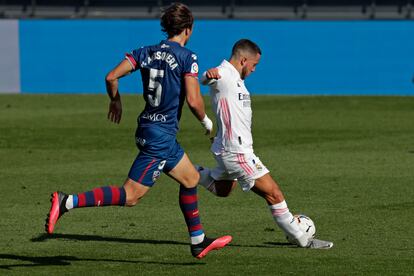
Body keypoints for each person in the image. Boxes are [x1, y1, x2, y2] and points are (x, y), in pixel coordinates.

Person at [45, 2, 231, 259]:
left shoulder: (145, 51)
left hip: (149, 128)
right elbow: (194, 100)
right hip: (160, 136)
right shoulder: (188, 57)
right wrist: (206, 122)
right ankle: (67, 202)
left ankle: (198, 241)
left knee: (190, 178)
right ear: (188, 30)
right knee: (131, 196)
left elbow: (111, 77)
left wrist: (115, 100)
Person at [197, 39, 333, 249]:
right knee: (274, 193)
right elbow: (206, 78)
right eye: (254, 65)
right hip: (237, 151)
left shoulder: (237, 80)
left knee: (222, 190)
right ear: (243, 60)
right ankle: (303, 239)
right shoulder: (224, 73)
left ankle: (188, 171)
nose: (254, 69)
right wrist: (208, 75)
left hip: (229, 148)